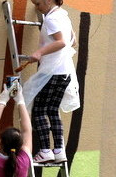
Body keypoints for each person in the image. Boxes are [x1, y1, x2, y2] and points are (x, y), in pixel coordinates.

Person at [22, 0, 79, 163]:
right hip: (64, 72)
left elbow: (61, 42)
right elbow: (72, 41)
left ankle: (46, 150)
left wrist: (40, 52)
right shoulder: (64, 16)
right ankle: (59, 150)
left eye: (38, 3)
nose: (37, 8)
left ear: (48, 0)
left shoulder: (51, 19)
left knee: (39, 110)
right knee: (53, 110)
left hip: (52, 71)